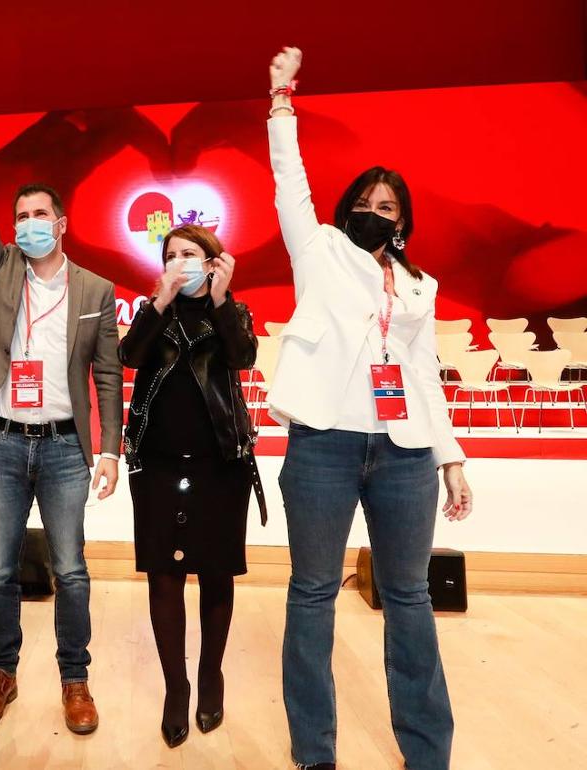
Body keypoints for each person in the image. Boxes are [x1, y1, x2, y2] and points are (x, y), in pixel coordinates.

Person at [266, 47, 473, 770]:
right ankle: (314, 753)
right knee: (314, 593)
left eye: (387, 208)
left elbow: (422, 371)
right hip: (322, 445)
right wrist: (282, 101)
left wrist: (451, 459)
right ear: (345, 209)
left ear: (403, 223)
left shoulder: (419, 287)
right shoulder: (318, 250)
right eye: (364, 202)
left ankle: (427, 753)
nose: (373, 214)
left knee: (409, 599)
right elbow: (289, 182)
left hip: (405, 453)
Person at [0, 93, 123, 736]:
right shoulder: (4, 268)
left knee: (71, 570)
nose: (28, 224)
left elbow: (105, 375)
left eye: (40, 214)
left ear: (63, 222)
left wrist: (109, 451)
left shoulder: (96, 291)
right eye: (21, 215)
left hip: (69, 450)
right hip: (5, 444)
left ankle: (75, 678)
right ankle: (1, 673)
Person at [119, 225, 264, 748]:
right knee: (164, 576)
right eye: (171, 256)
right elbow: (128, 357)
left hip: (220, 464)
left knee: (216, 573)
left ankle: (210, 676)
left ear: (214, 262)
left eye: (191, 255)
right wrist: (156, 304)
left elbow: (243, 356)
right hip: (156, 464)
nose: (181, 263)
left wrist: (222, 300)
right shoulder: (151, 312)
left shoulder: (233, 312)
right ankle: (175, 688)